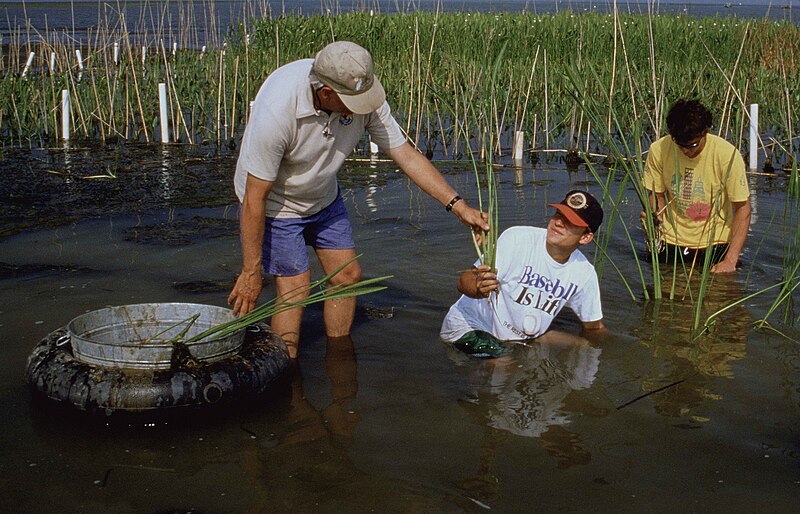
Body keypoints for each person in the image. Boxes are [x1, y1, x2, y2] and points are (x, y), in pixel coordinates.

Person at [227, 41, 487, 358]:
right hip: (275, 204)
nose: (363, 107)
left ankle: (339, 358)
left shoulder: (360, 91)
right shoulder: (278, 111)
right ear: (325, 92)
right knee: (295, 289)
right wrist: (251, 273)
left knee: (347, 276)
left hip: (322, 194)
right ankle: (286, 372)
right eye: (353, 101)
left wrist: (458, 206)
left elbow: (404, 154)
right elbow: (255, 198)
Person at [440, 190, 606, 357]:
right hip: (469, 326)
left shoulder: (584, 273)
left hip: (519, 336)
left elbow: (594, 327)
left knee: (585, 345)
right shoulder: (517, 238)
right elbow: (463, 281)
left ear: (585, 237)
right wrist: (478, 287)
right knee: (505, 363)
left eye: (570, 221)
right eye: (558, 214)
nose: (559, 223)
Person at [643, 98, 752, 273]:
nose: (686, 151)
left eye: (692, 145)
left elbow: (743, 209)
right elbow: (657, 195)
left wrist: (731, 259)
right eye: (680, 145)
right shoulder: (659, 150)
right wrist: (654, 217)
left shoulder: (727, 155)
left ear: (705, 132)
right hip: (671, 240)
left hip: (714, 243)